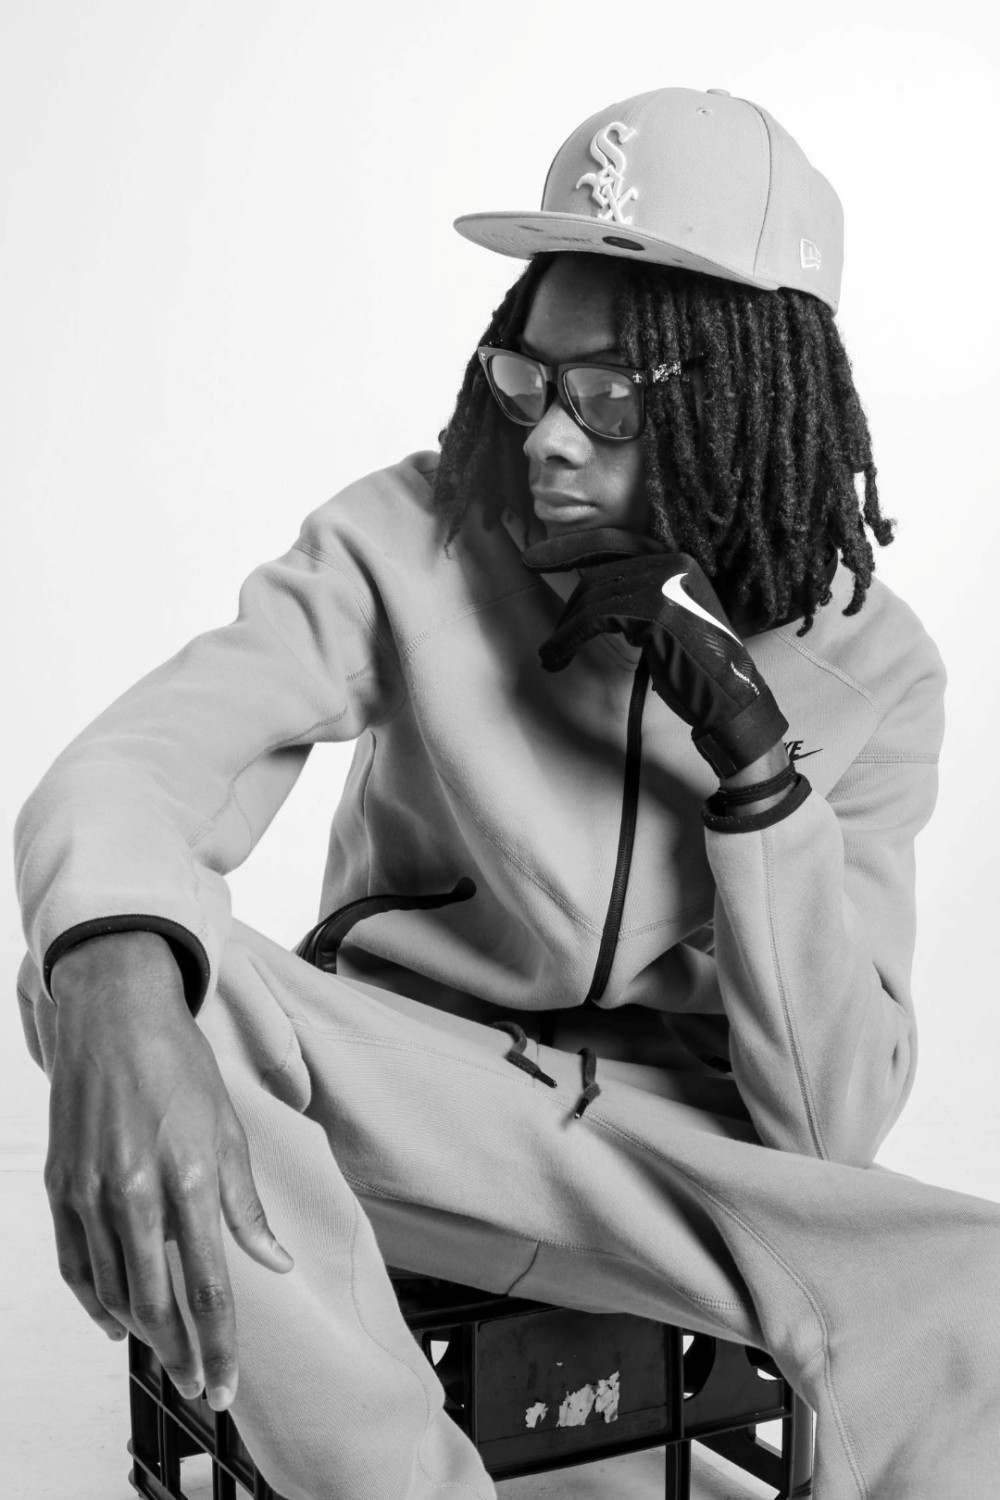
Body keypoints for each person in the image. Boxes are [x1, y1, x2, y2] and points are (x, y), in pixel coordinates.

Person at [14, 86, 1000, 1500]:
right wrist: (107, 976)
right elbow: (145, 761)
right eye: (525, 379)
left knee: (982, 1303)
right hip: (401, 1102)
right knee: (133, 958)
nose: (546, 437)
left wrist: (756, 765)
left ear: (750, 396)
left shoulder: (878, 669)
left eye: (609, 399)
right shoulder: (410, 537)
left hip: (679, 1168)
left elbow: (830, 1127)